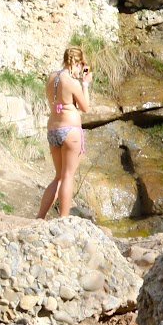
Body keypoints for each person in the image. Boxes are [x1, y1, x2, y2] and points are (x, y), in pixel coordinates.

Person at [38, 45, 92, 219]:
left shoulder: (51, 77)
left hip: (53, 129)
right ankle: (64, 218)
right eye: (81, 66)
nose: (80, 70)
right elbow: (85, 107)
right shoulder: (72, 82)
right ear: (76, 62)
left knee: (58, 177)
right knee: (68, 176)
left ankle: (40, 217)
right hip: (70, 131)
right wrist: (85, 84)